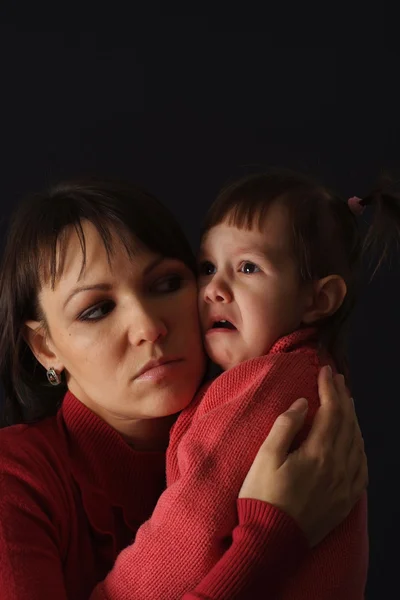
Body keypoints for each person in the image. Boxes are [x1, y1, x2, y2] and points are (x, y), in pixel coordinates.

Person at [0, 179, 367, 600]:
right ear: (46, 347)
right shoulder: (15, 480)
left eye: (166, 284)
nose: (148, 327)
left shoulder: (272, 416)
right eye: (96, 310)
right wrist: (268, 541)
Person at [91, 169, 400, 600]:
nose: (215, 289)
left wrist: (111, 595)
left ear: (317, 300)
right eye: (207, 266)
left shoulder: (269, 387)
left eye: (248, 268)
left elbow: (191, 523)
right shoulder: (311, 374)